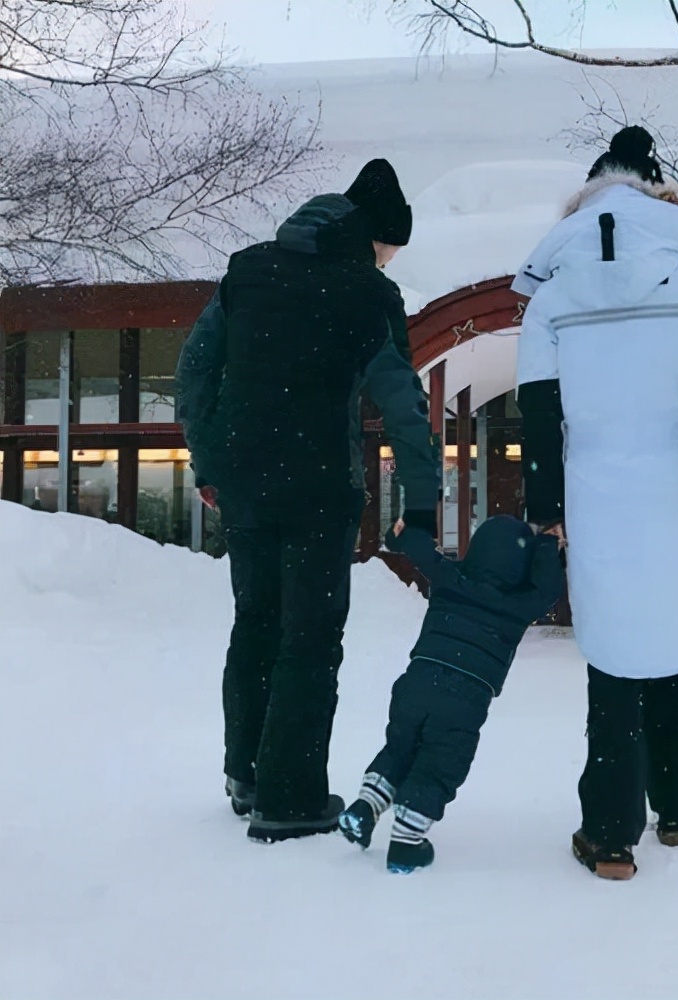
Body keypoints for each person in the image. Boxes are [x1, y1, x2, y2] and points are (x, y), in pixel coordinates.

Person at [514, 126, 678, 880]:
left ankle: (611, 832)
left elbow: (536, 409)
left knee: (614, 661)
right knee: (674, 646)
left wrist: (546, 506)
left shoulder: (552, 297)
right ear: (658, 195)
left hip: (599, 494)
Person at [176, 159, 441, 843]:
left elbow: (197, 368)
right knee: (310, 637)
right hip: (320, 483)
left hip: (244, 479)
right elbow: (404, 405)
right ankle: (289, 799)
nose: (388, 264)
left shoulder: (248, 271)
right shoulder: (365, 291)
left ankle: (246, 774)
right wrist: (423, 502)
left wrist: (209, 461)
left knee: (255, 622)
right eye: (390, 251)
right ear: (376, 238)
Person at [338, 515, 564, 873]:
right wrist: (549, 544)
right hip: (465, 697)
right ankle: (406, 844)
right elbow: (548, 588)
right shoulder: (519, 604)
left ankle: (365, 808)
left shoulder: (451, 578)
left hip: (417, 681)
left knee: (400, 747)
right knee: (440, 763)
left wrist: (400, 534)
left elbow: (419, 551)